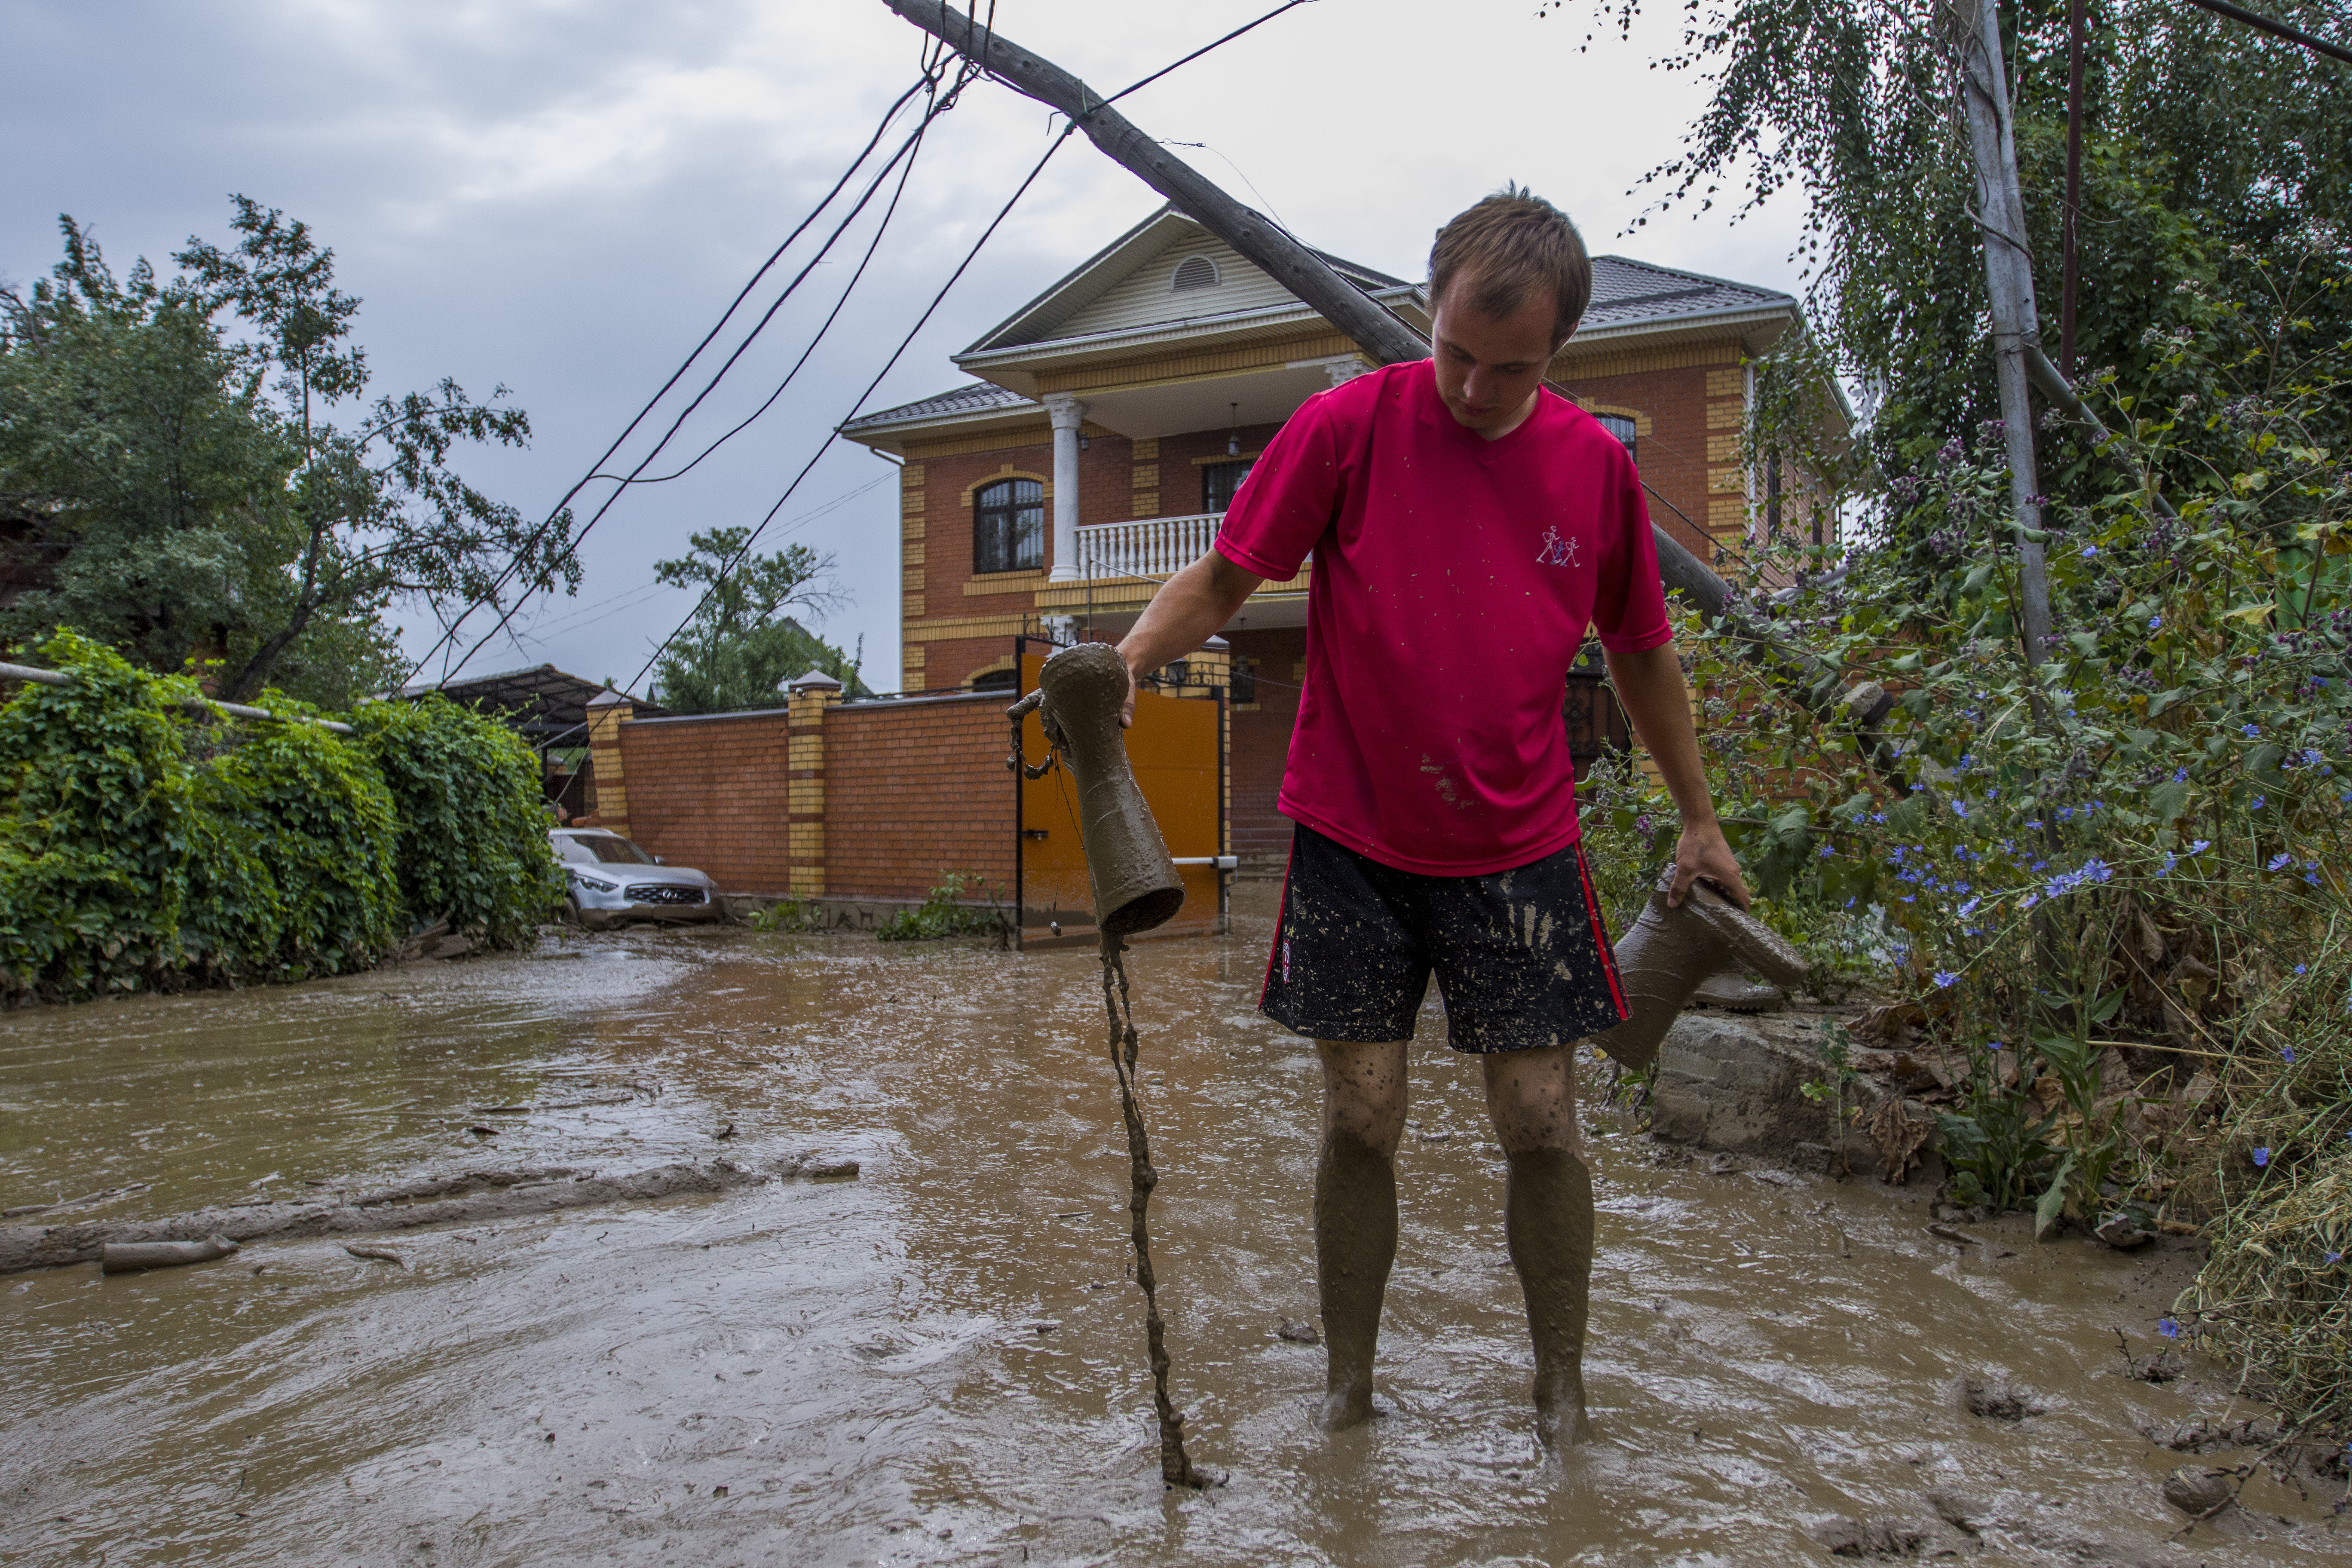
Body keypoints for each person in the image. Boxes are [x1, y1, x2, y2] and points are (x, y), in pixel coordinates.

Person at [1113, 186, 1750, 1446]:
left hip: (1520, 849)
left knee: (1542, 1118)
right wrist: (1129, 659)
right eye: (1456, 351)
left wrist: (1699, 817)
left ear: (1557, 351)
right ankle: (1350, 1392)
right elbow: (1231, 575)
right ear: (1429, 310)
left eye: (1509, 369)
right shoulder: (1345, 428)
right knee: (1361, 1113)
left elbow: (1642, 655)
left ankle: (1560, 1400)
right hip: (1352, 836)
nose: (1472, 386)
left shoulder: (1594, 470)